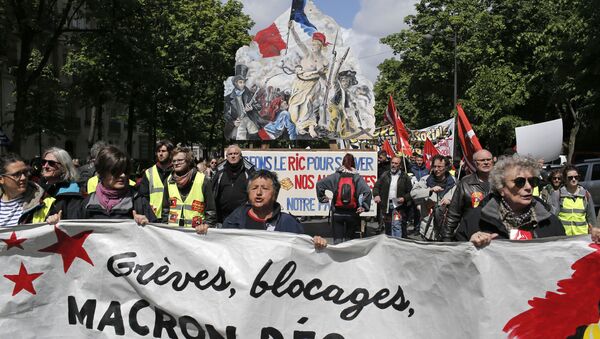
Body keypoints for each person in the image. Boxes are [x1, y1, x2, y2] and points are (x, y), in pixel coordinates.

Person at [455, 154, 565, 247]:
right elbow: (457, 262)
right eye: (520, 182)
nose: (528, 187)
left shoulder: (550, 222)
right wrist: (469, 246)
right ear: (501, 188)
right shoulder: (475, 220)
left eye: (532, 181)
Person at [222, 170, 327, 249]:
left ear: (275, 194)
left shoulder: (289, 223)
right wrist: (206, 233)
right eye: (254, 188)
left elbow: (304, 252)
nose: (258, 192)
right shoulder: (235, 220)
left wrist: (316, 243)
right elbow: (220, 246)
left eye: (265, 188)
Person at [77, 146, 155, 224]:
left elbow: (157, 233)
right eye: (116, 171)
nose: (123, 175)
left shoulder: (139, 201)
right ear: (102, 172)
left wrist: (147, 225)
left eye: (125, 170)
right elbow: (76, 232)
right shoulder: (87, 203)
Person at [316, 153, 373, 244]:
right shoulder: (357, 177)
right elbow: (367, 191)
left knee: (337, 241)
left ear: (342, 162)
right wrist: (364, 207)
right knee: (349, 241)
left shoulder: (335, 176)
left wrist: (322, 198)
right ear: (354, 163)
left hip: (337, 213)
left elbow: (319, 184)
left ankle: (337, 257)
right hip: (352, 213)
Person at [161, 146, 217, 232]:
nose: (176, 163)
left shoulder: (203, 180)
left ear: (188, 161)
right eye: (174, 161)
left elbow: (211, 211)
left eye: (180, 160)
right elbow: (165, 210)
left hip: (196, 234)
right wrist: (164, 229)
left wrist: (207, 226)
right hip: (173, 233)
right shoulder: (168, 181)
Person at [287, 22, 329, 138]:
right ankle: (298, 125)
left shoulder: (324, 61)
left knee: (308, 102)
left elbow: (323, 76)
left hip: (313, 84)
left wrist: (326, 83)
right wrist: (292, 30)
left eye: (316, 44)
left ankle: (307, 126)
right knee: (293, 106)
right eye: (313, 44)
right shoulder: (307, 53)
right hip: (300, 82)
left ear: (320, 45)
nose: (313, 46)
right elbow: (298, 42)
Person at [442, 149, 494, 241]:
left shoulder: (502, 183)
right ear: (475, 163)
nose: (486, 162)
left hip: (496, 237)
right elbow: (454, 213)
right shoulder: (465, 183)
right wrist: (446, 237)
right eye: (482, 160)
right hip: (471, 237)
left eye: (488, 159)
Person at [410, 154, 456, 240]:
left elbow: (459, 200)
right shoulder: (425, 180)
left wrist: (450, 201)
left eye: (440, 166)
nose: (436, 169)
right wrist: (429, 191)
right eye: (434, 166)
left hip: (446, 229)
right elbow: (413, 193)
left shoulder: (454, 182)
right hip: (428, 228)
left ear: (446, 167)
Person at [32, 147, 83, 223]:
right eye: (43, 162)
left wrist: (59, 222)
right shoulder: (37, 189)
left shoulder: (72, 193)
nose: (45, 166)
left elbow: (73, 224)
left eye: (51, 163)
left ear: (63, 167)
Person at [212, 145, 255, 223]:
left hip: (243, 216)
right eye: (230, 154)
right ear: (227, 156)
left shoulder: (249, 172)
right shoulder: (219, 172)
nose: (233, 156)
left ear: (240, 156)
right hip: (222, 217)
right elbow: (213, 193)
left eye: (236, 153)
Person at [550, 165, 597, 236]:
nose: (574, 179)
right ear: (565, 179)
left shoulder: (586, 194)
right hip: (563, 236)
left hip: (582, 237)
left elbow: (592, 218)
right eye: (570, 177)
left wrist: (594, 232)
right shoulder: (557, 194)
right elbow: (553, 217)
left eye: (576, 177)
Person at [373, 156, 413, 238]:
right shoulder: (385, 175)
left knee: (396, 225)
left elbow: (411, 192)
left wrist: (404, 198)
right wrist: (376, 195)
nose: (393, 165)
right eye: (392, 163)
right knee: (388, 225)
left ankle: (396, 244)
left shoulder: (404, 177)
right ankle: (389, 244)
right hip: (387, 205)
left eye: (396, 163)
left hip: (398, 206)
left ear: (400, 165)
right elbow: (376, 187)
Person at [0, 153, 44, 226]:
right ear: (1, 179)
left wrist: (54, 222)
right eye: (16, 174)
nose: (23, 178)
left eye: (25, 172)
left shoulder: (40, 200)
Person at [138, 140, 174, 219]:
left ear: (170, 153)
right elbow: (143, 198)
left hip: (173, 217)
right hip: (154, 218)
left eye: (164, 151)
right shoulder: (149, 172)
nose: (160, 154)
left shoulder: (176, 172)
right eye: (158, 151)